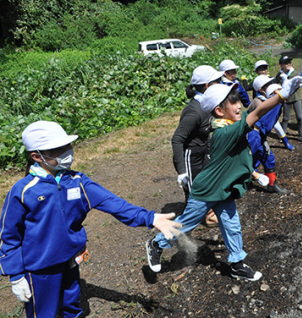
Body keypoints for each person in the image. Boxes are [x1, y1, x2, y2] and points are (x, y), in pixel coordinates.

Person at [0, 121, 181, 318]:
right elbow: (8, 235)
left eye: (67, 146)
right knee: (43, 313)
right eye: (58, 149)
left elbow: (113, 203)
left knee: (73, 308)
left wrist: (150, 217)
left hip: (70, 260)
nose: (67, 152)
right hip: (40, 268)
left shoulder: (78, 181)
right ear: (37, 156)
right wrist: (16, 275)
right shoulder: (23, 190)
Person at [146, 75, 302, 281]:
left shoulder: (230, 127)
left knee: (232, 225)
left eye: (239, 100)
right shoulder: (225, 132)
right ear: (219, 111)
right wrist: (282, 95)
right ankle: (156, 244)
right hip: (208, 190)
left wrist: (255, 174)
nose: (239, 106)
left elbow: (240, 153)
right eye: (233, 102)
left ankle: (237, 264)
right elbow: (257, 112)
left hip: (224, 188)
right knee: (186, 223)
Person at [171, 65, 223, 226]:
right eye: (217, 81)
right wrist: (181, 171)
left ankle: (203, 214)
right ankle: (180, 229)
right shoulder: (194, 111)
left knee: (208, 183)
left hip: (202, 151)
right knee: (195, 194)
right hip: (189, 156)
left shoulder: (208, 104)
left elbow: (206, 133)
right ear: (207, 86)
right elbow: (177, 139)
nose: (220, 83)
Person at [247, 75, 289, 194]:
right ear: (261, 89)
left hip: (261, 135)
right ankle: (241, 183)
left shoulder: (268, 101)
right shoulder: (258, 101)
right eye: (267, 85)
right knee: (246, 159)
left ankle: (272, 184)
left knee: (267, 157)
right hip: (252, 134)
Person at [275, 56, 302, 141]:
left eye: (289, 62)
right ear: (281, 65)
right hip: (286, 99)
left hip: (296, 97)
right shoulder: (280, 75)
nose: (288, 64)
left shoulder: (295, 73)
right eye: (286, 63)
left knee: (299, 117)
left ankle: (301, 134)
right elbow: (276, 83)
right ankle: (283, 135)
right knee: (285, 118)